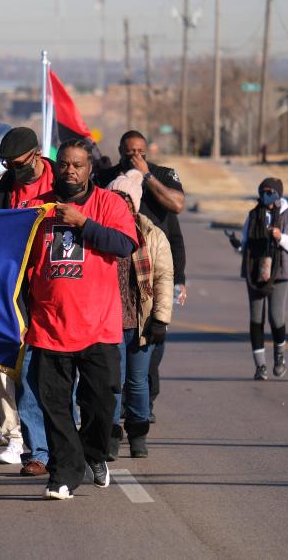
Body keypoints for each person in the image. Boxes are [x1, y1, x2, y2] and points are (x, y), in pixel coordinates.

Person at [26, 139, 137, 500]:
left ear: (90, 169)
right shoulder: (36, 208)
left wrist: (83, 223)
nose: (70, 171)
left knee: (101, 402)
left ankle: (94, 453)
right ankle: (63, 473)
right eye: (64, 165)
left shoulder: (109, 203)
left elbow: (124, 245)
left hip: (98, 327)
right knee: (53, 404)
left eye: (78, 165)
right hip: (49, 326)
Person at [0, 126, 56, 477]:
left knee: (62, 375)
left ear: (36, 155)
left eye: (18, 163)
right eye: (8, 165)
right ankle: (37, 451)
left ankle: (70, 446)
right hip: (22, 297)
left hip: (61, 291)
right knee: (26, 375)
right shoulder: (6, 190)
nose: (14, 170)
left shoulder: (64, 185)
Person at [97, 131, 186, 419]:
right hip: (119, 273)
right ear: (120, 151)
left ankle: (145, 404)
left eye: (141, 152)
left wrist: (147, 176)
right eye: (130, 152)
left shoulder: (163, 174)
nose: (135, 157)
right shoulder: (108, 178)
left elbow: (177, 206)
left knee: (152, 350)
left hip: (159, 268)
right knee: (121, 357)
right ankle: (132, 409)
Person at [107, 171, 174, 459]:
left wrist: (161, 319)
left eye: (125, 200)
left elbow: (164, 278)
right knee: (111, 382)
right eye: (115, 199)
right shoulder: (101, 233)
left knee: (137, 381)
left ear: (135, 204)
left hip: (141, 321)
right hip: (108, 322)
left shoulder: (152, 235)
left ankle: (137, 435)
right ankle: (108, 437)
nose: (120, 204)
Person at [229, 178, 288, 380]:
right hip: (255, 269)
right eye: (263, 191)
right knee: (256, 318)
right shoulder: (254, 215)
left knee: (275, 316)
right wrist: (237, 244)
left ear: (278, 193)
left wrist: (281, 237)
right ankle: (260, 366)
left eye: (270, 191)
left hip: (280, 270)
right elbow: (245, 243)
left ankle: (280, 358)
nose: (266, 195)